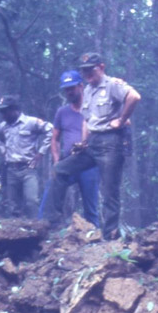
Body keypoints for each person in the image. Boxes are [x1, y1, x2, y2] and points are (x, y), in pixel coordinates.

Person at [45, 53, 140, 241]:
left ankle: (110, 236)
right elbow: (86, 119)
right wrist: (83, 141)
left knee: (109, 191)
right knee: (60, 170)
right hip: (92, 143)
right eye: (84, 70)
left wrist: (121, 120)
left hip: (110, 143)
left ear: (101, 67)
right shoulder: (87, 90)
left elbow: (135, 97)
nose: (88, 73)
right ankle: (54, 222)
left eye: (91, 69)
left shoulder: (113, 84)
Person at [38, 70, 100, 226]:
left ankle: (96, 242)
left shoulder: (93, 107)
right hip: (69, 162)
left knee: (90, 207)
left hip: (90, 163)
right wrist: (57, 160)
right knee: (54, 182)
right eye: (66, 89)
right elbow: (55, 138)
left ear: (81, 86)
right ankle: (44, 225)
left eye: (72, 88)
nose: (69, 92)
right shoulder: (62, 112)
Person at [0, 95, 52, 218]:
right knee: (12, 205)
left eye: (5, 111)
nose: (3, 115)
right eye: (1, 112)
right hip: (11, 169)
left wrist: (40, 153)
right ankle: (16, 234)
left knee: (31, 201)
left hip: (28, 169)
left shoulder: (30, 122)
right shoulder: (3, 126)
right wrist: (4, 152)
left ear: (14, 109)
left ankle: (36, 231)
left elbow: (50, 130)